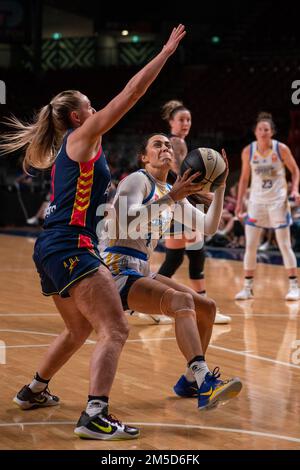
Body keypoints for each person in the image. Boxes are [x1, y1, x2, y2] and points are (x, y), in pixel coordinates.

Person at [0, 24, 187, 440]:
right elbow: (132, 94)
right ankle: (94, 416)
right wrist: (165, 53)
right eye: (90, 104)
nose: (97, 107)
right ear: (76, 115)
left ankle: (33, 390)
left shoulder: (81, 143)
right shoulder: (83, 136)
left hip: (53, 246)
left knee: (79, 329)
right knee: (116, 328)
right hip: (70, 244)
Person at [100, 133, 242, 410]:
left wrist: (221, 186)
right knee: (182, 302)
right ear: (144, 156)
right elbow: (125, 224)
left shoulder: (171, 192)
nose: (165, 148)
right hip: (114, 268)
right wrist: (173, 197)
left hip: (139, 268)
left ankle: (189, 381)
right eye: (157, 144)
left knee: (207, 308)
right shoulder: (136, 180)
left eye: (168, 145)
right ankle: (205, 382)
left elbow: (209, 226)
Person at [156, 100, 231, 324]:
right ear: (171, 122)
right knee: (194, 254)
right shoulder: (176, 143)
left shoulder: (174, 143)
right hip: (180, 202)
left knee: (176, 257)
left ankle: (146, 301)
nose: (186, 123)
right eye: (181, 119)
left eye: (188, 119)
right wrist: (207, 195)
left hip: (175, 202)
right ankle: (204, 306)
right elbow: (183, 178)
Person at [235, 112, 300, 301]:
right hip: (256, 202)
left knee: (284, 245)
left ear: (272, 132)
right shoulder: (248, 151)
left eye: (267, 129)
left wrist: (295, 189)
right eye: (260, 129)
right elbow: (244, 179)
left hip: (278, 202)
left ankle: (294, 286)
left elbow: (296, 171)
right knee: (251, 246)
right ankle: (247, 288)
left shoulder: (281, 149)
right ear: (255, 132)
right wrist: (240, 203)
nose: (263, 132)